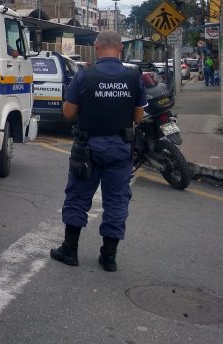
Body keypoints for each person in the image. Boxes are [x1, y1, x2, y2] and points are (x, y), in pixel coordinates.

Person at [50, 30, 147, 272]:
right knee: (116, 201)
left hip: (88, 147)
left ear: (96, 47)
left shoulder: (84, 76)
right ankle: (109, 257)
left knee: (78, 196)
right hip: (120, 148)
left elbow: (68, 113)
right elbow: (138, 115)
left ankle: (70, 251)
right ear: (120, 48)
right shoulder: (134, 77)